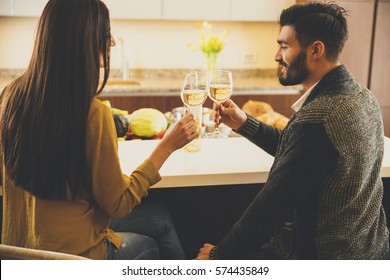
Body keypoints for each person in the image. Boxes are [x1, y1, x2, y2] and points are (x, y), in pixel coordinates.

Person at [0, 0, 198, 260]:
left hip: (18, 255)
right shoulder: (92, 113)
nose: (113, 42)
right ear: (83, 40)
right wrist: (166, 147)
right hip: (76, 261)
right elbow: (119, 204)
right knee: (150, 242)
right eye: (105, 34)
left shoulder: (10, 96)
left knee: (159, 217)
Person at [196, 1, 389, 260]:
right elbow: (303, 155)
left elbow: (271, 208)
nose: (277, 56)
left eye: (284, 46)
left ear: (315, 50)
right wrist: (244, 122)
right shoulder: (363, 97)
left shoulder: (318, 118)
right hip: (370, 250)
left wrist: (219, 257)